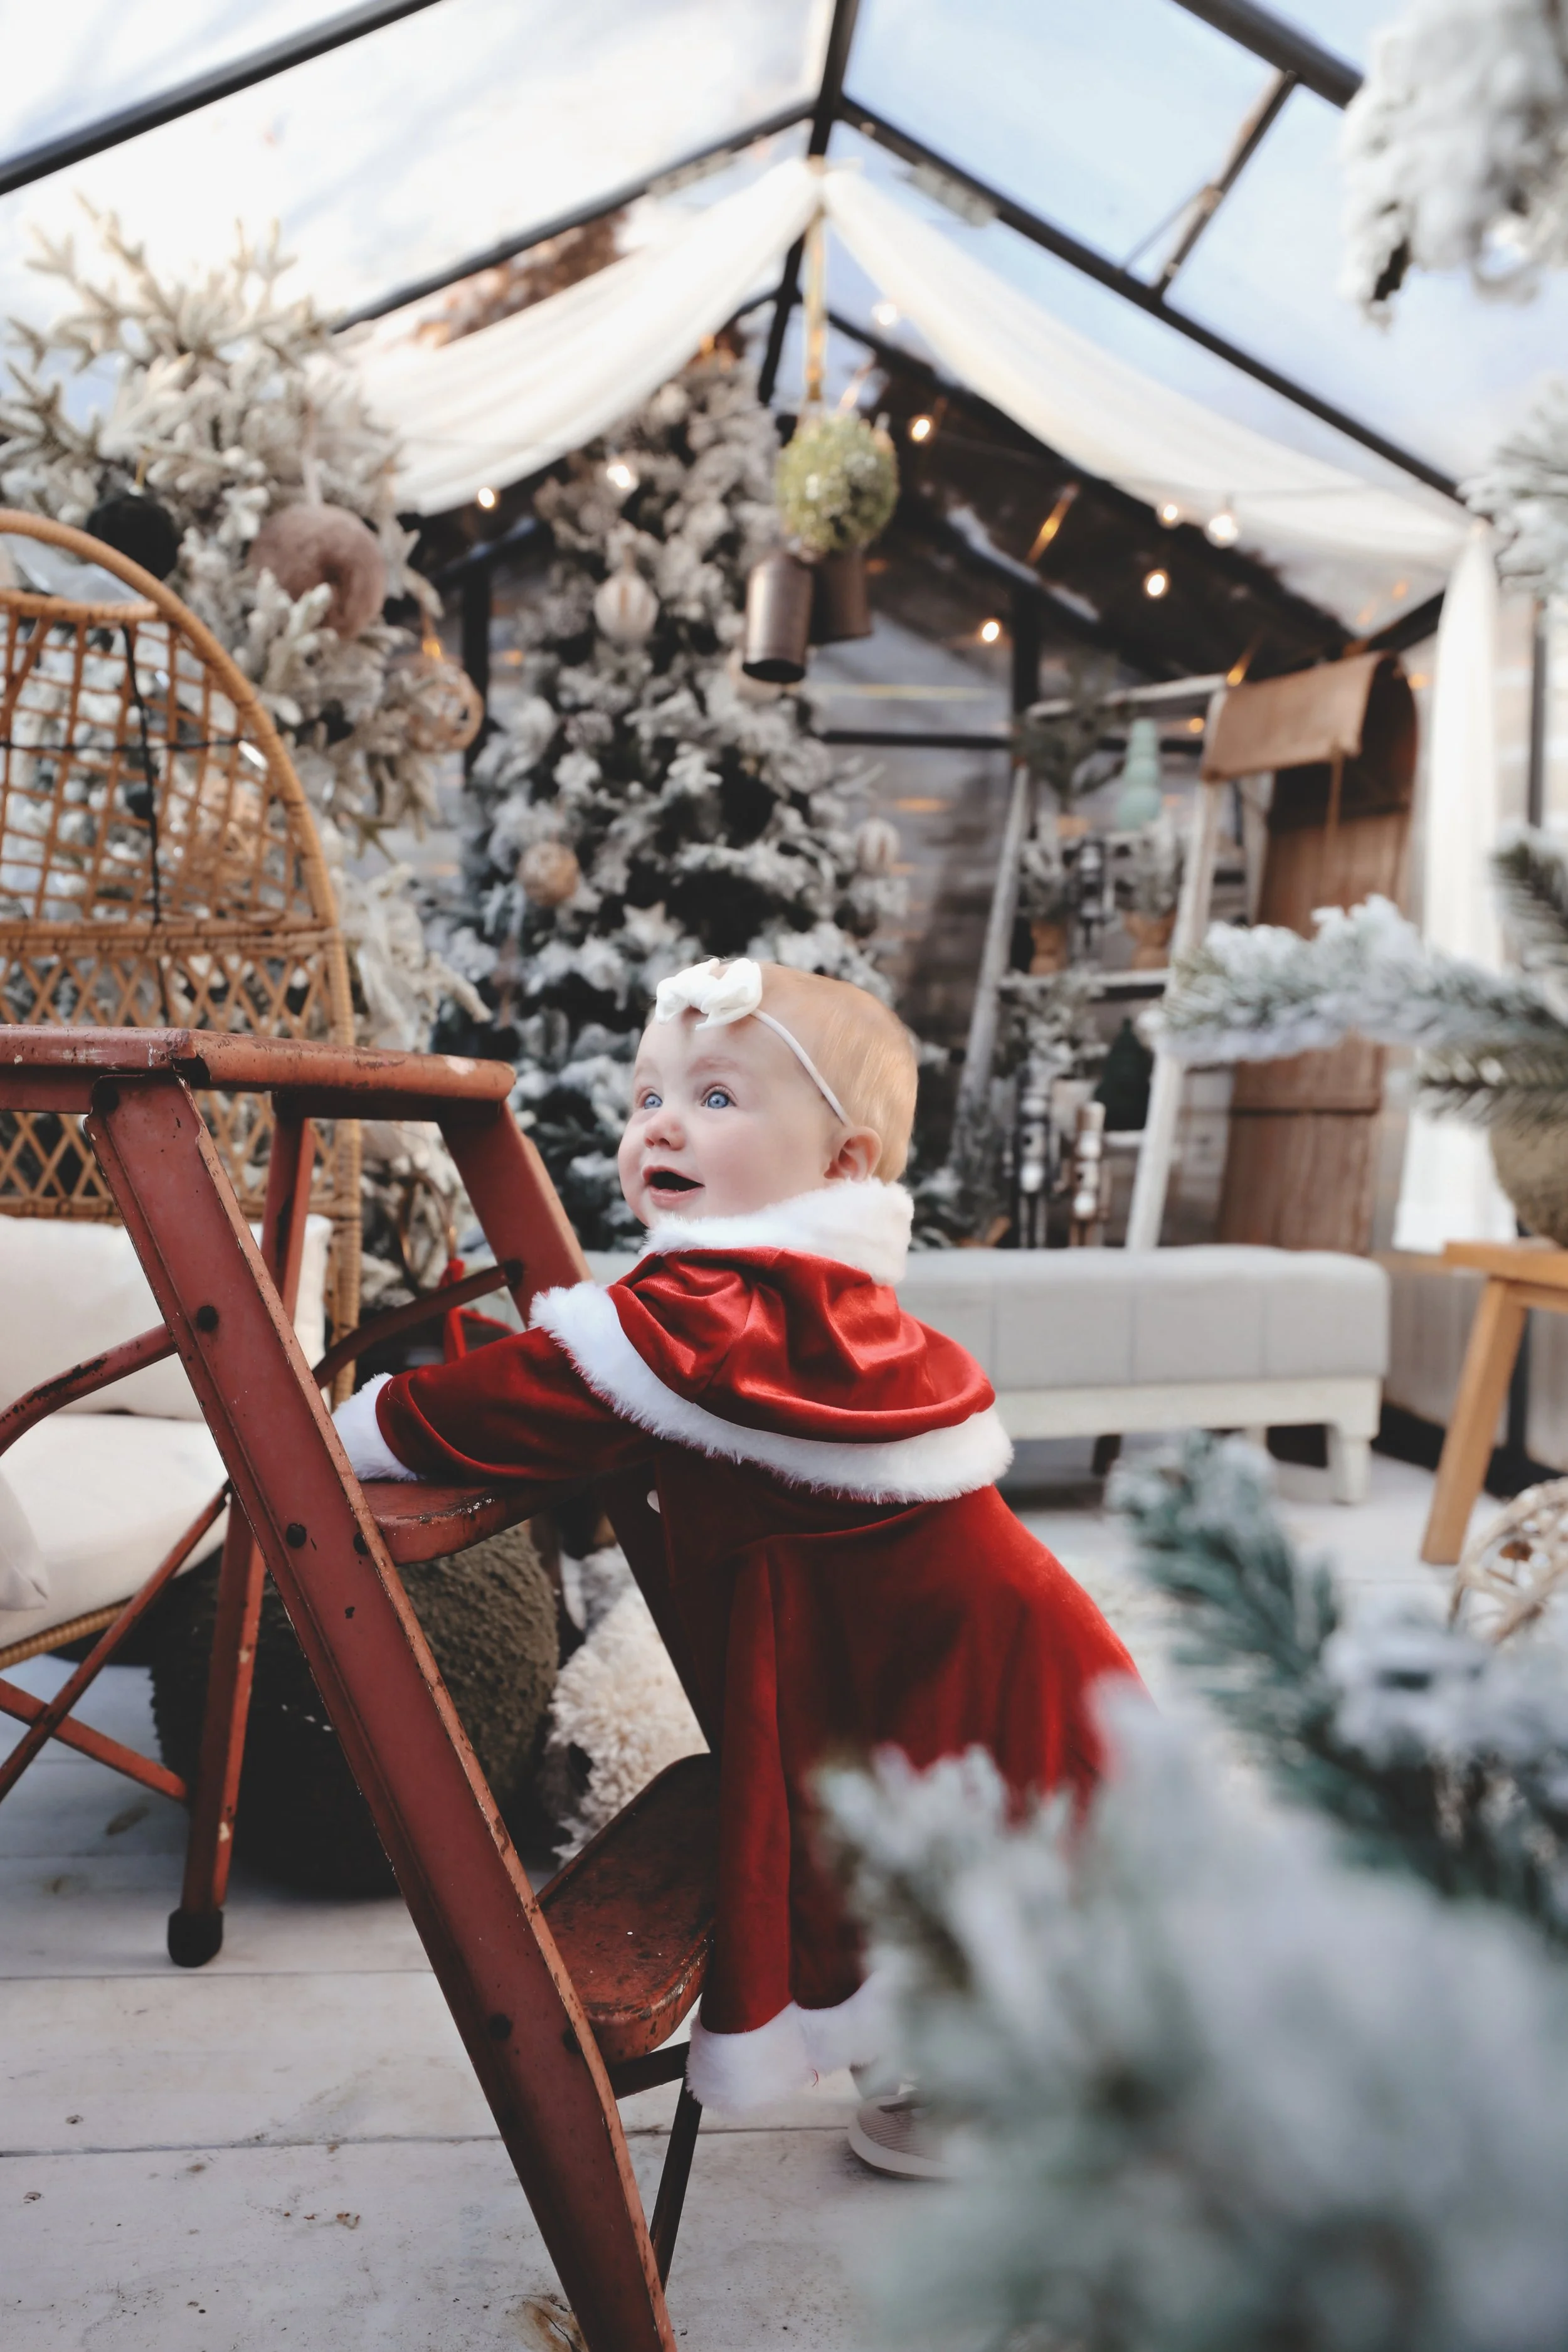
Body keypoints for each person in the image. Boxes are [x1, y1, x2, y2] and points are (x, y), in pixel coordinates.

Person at [333, 956, 1137, 2144]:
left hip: (956, 1649)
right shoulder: (791, 1293)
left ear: (843, 1162)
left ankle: (1003, 2096)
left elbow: (538, 1390)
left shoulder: (728, 1304)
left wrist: (374, 1421)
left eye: (716, 1098)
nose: (661, 1122)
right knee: (947, 1841)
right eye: (649, 1095)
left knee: (954, 1850)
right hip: (946, 1627)